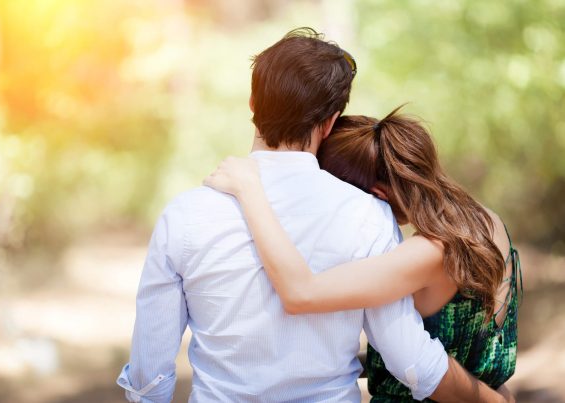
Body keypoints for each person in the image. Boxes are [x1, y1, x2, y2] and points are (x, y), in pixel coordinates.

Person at [118, 27, 510, 402]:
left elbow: (149, 373)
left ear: (253, 104)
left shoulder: (185, 215)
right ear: (331, 122)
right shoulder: (368, 216)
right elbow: (410, 361)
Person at [204, 106, 521, 402]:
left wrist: (250, 190)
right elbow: (470, 356)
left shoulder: (425, 254)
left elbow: (301, 292)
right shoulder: (486, 223)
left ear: (377, 196)